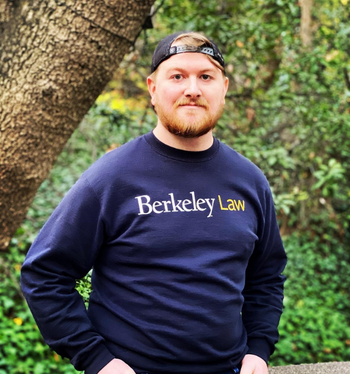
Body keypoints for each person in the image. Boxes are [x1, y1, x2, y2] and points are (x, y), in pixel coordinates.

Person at [21, 31, 287, 374]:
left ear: (223, 87)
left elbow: (266, 276)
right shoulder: (112, 177)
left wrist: (259, 348)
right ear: (152, 88)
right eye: (177, 76)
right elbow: (44, 274)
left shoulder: (250, 181)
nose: (192, 88)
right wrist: (97, 360)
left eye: (205, 76)